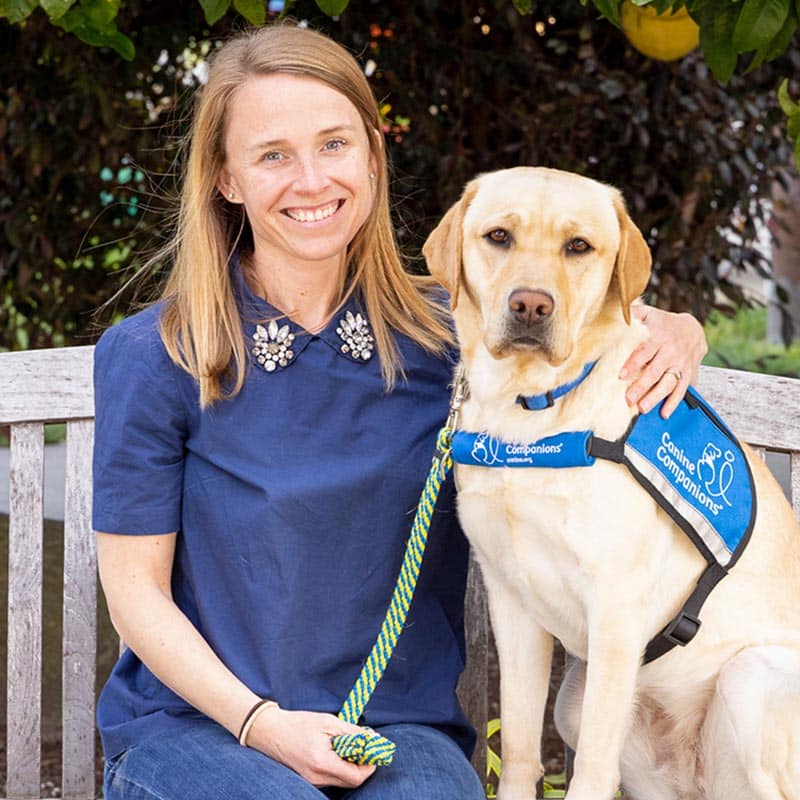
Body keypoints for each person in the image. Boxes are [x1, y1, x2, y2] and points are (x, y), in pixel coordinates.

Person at [92, 22, 708, 800]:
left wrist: (681, 330)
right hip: (204, 728)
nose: (311, 180)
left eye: (334, 145)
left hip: (397, 728)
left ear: (374, 158)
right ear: (225, 178)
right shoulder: (157, 354)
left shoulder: (453, 344)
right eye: (273, 155)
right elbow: (135, 596)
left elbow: (584, 311)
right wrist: (264, 725)